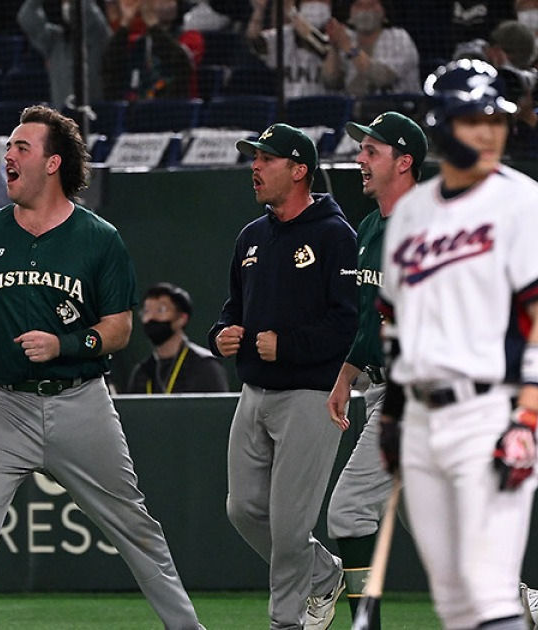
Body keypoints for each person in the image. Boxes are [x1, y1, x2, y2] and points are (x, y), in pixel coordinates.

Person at [0, 105, 203, 630]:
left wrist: (65, 343)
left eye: (20, 147)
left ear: (53, 163)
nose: (7, 155)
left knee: (132, 523)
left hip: (81, 401)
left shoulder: (98, 237)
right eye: (7, 147)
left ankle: (187, 627)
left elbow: (120, 327)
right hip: (4, 405)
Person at [377, 59, 538, 630]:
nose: (490, 131)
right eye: (473, 120)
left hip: (493, 412)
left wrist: (528, 417)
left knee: (489, 593)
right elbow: (396, 323)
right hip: (421, 418)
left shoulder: (526, 204)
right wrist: (393, 417)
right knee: (455, 601)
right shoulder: (412, 213)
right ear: (443, 126)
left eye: (496, 118)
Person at [209, 122, 358, 630]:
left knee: (292, 526)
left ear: (300, 171)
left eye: (266, 159)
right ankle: (324, 575)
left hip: (312, 394)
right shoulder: (251, 236)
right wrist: (222, 333)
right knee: (244, 508)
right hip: (255, 392)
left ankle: (285, 622)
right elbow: (233, 307)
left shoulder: (336, 235)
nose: (254, 166)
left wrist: (290, 345)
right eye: (254, 157)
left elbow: (348, 323)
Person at [126, 282, 229, 394]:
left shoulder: (205, 367)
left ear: (182, 318)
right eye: (146, 311)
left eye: (161, 310)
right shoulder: (142, 373)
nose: (151, 317)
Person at [18, 0, 112, 107]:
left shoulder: (97, 34)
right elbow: (26, 17)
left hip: (94, 114)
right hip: (61, 118)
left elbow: (88, 14)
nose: (67, 7)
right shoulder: (54, 40)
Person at [321, 0, 421, 98]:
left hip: (398, 110)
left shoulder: (398, 37)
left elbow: (383, 78)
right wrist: (335, 46)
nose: (365, 11)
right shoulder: (348, 37)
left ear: (384, 10)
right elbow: (330, 82)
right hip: (352, 111)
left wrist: (349, 48)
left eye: (371, 5)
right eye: (359, 5)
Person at [245, 0, 343, 98]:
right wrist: (259, 10)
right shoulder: (285, 35)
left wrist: (294, 16)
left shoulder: (340, 35)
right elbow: (255, 42)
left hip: (320, 107)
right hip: (287, 108)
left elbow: (332, 80)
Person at [103, 0, 195, 100]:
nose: (165, 3)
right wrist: (125, 23)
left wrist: (153, 25)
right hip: (140, 109)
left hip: (172, 108)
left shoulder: (190, 37)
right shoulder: (140, 44)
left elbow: (182, 65)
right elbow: (110, 70)